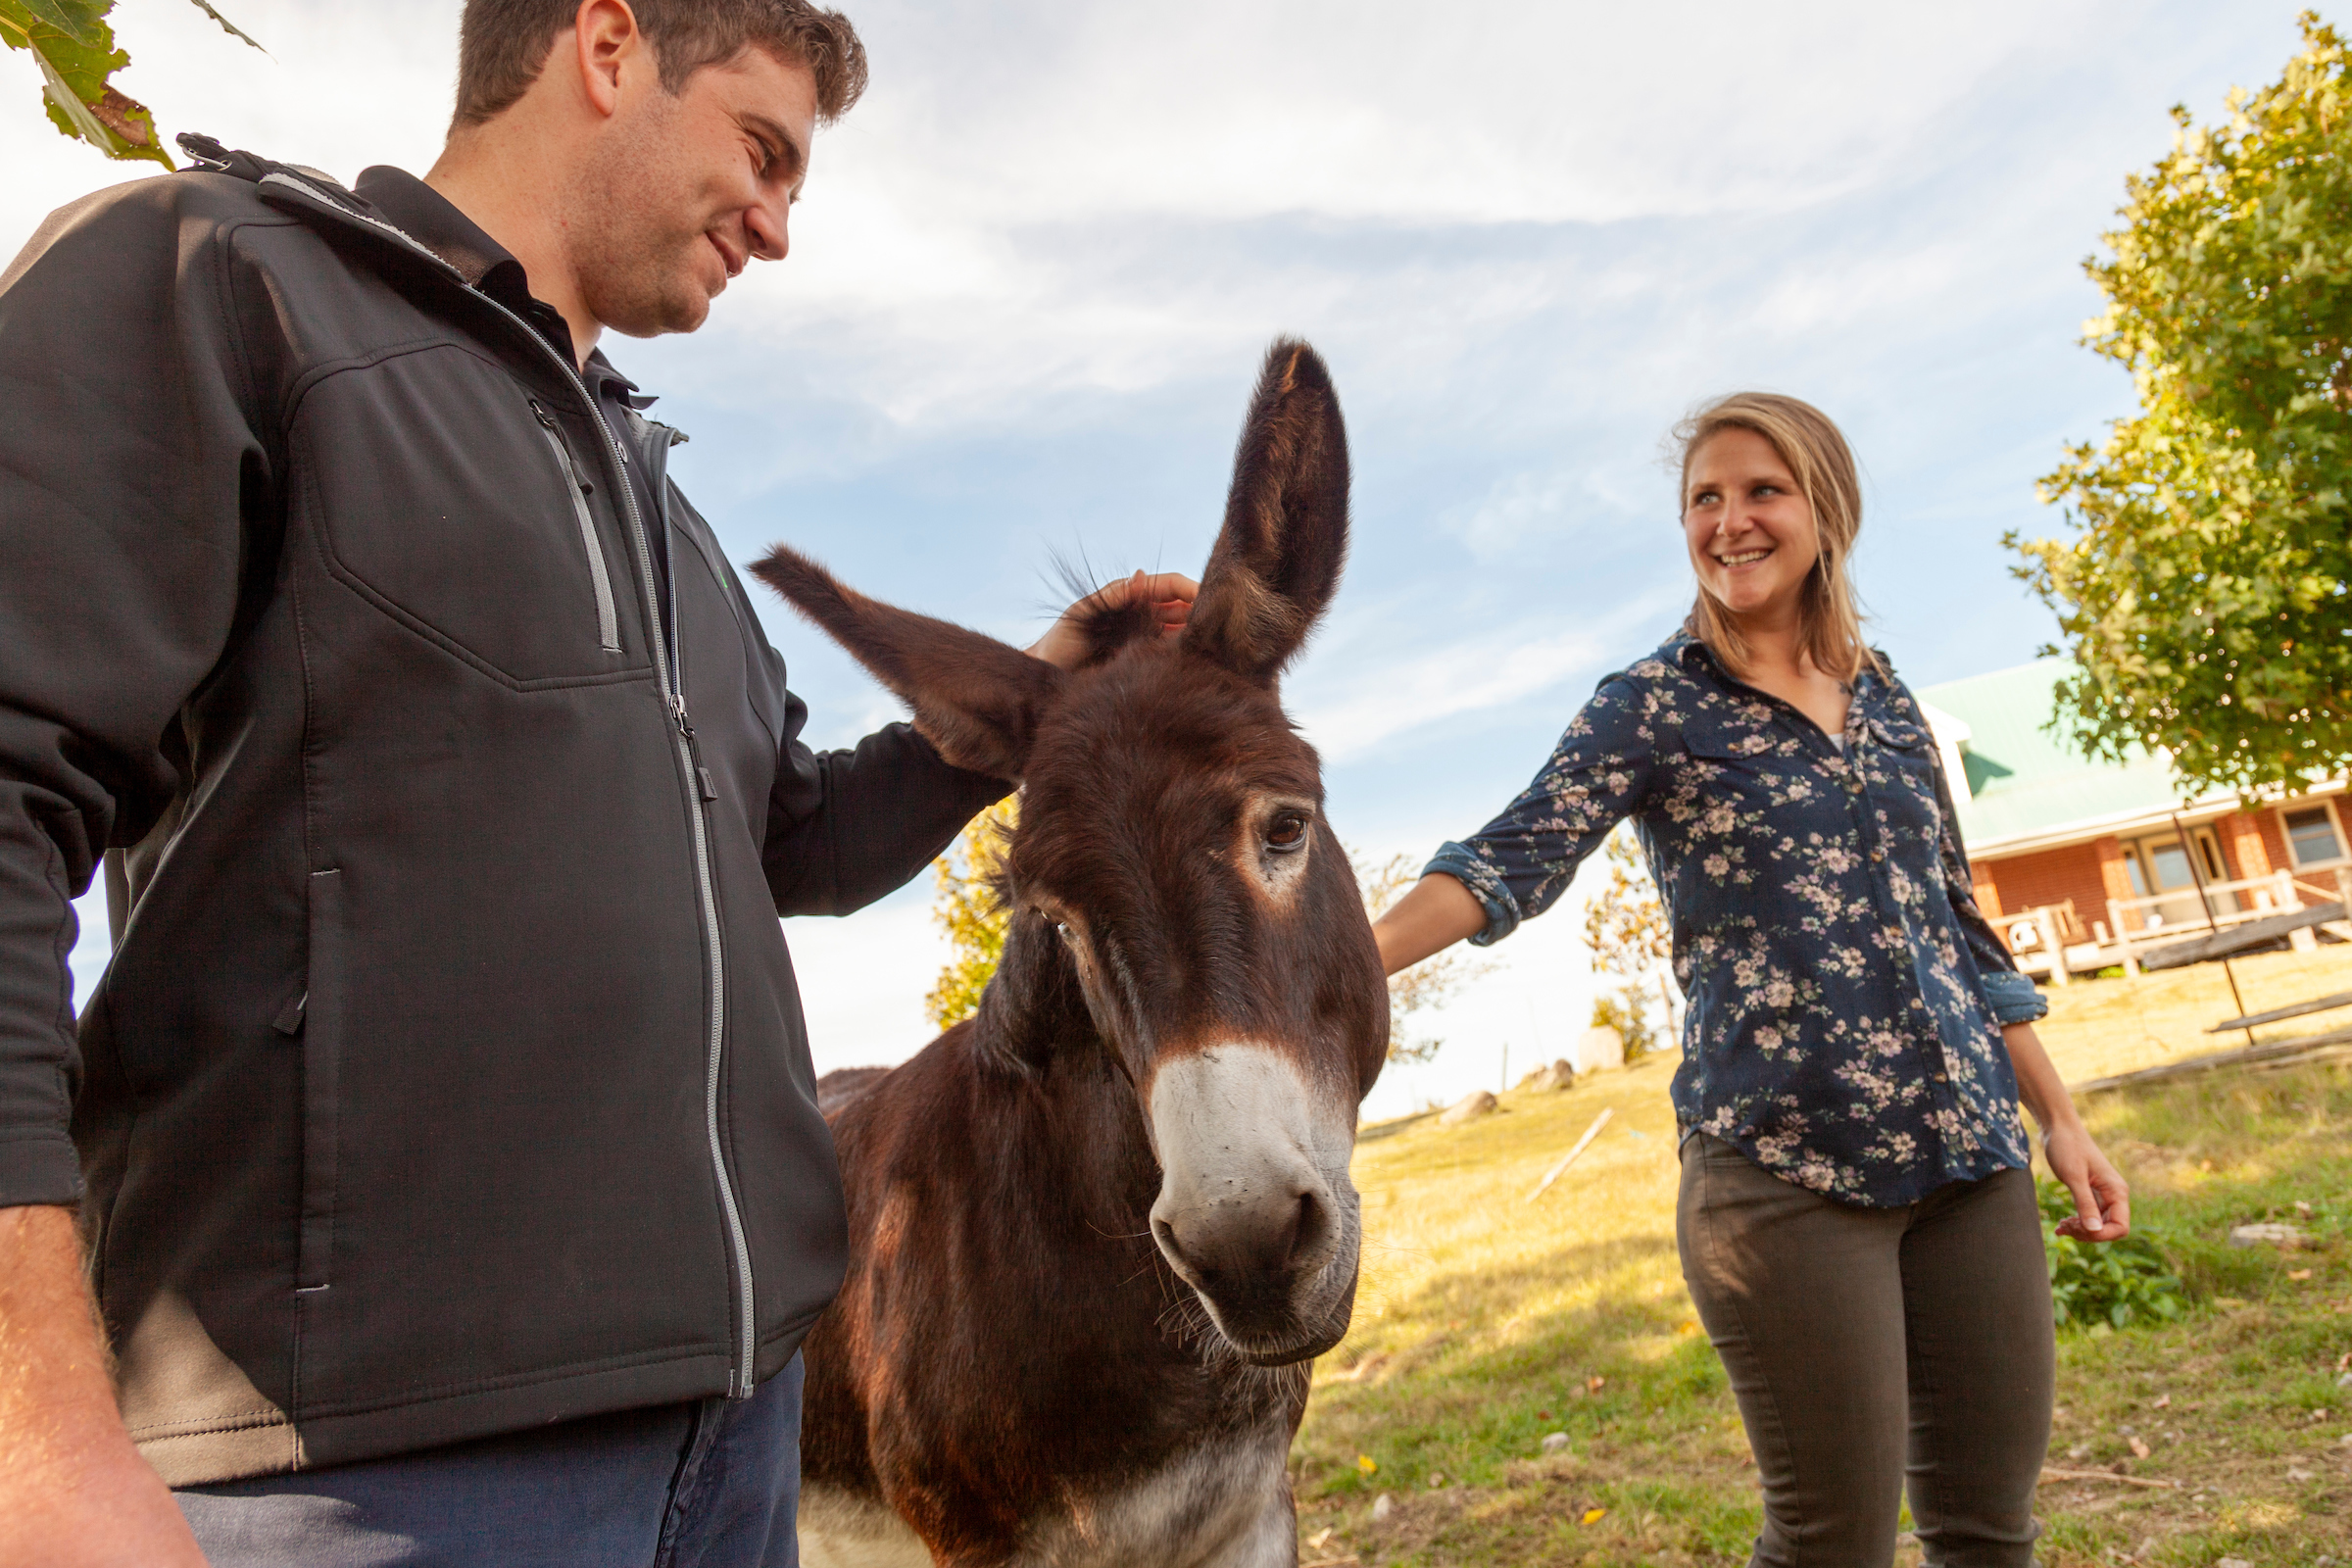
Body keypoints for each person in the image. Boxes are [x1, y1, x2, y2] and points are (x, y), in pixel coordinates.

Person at [0, 2, 1193, 1563]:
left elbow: (796, 839)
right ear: (611, 45)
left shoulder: (673, 524)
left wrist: (1035, 702)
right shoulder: (212, 277)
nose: (776, 228)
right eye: (764, 153)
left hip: (738, 1428)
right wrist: (31, 1439)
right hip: (367, 1471)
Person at [1372, 393, 2131, 1567]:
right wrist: (1325, 969)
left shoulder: (1886, 702)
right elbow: (1508, 857)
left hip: (1973, 1159)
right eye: (1703, 500)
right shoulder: (1651, 703)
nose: (1729, 521)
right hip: (1786, 1176)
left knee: (1989, 1530)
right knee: (1831, 1545)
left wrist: (2063, 1118)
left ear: (1826, 509)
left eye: (1760, 491)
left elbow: (1962, 930)